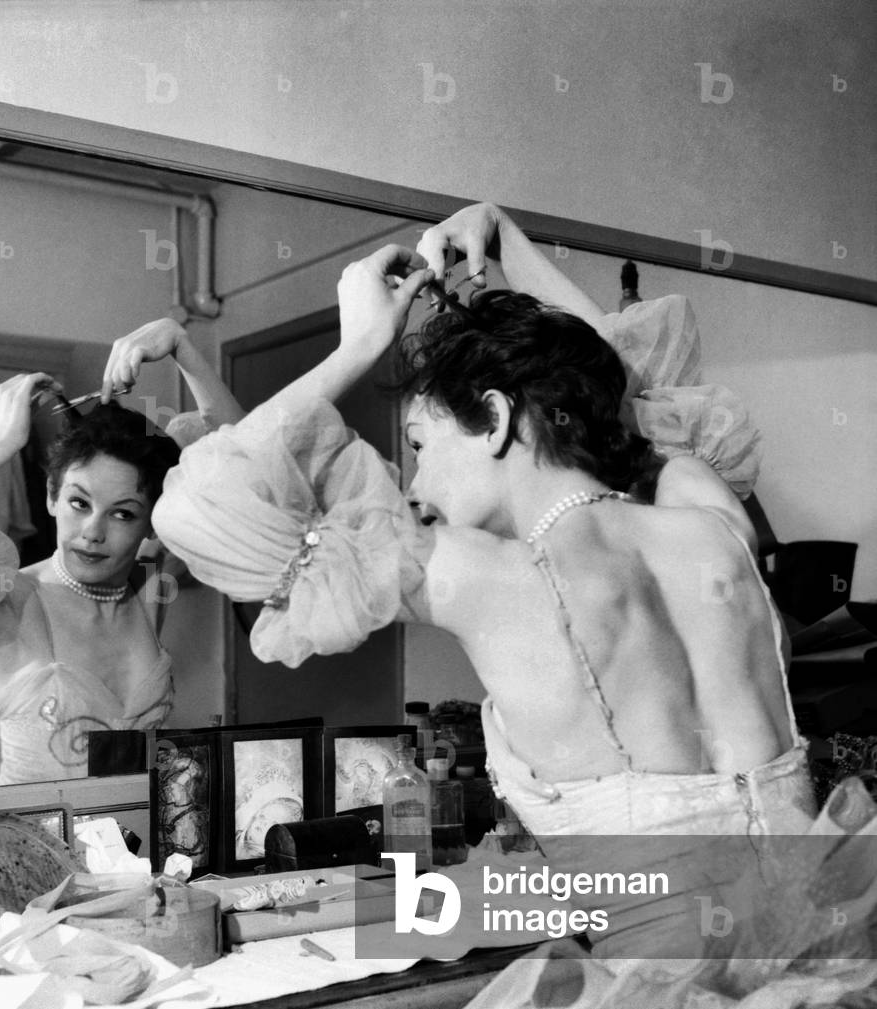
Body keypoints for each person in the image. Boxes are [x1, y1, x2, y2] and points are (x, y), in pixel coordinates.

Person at [130, 204, 876, 1003]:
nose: (414, 483)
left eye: (420, 444)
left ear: (493, 419)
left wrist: (361, 343)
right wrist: (506, 243)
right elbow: (636, 392)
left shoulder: (483, 575)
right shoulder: (710, 518)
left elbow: (198, 505)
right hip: (821, 956)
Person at [0, 323, 242, 785]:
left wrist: (184, 348)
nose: (92, 532)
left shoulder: (151, 581)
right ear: (52, 496)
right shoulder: (12, 597)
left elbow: (249, 473)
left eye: (122, 514)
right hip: (18, 847)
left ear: (151, 520)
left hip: (131, 847)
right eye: (79, 504)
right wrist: (1, 443)